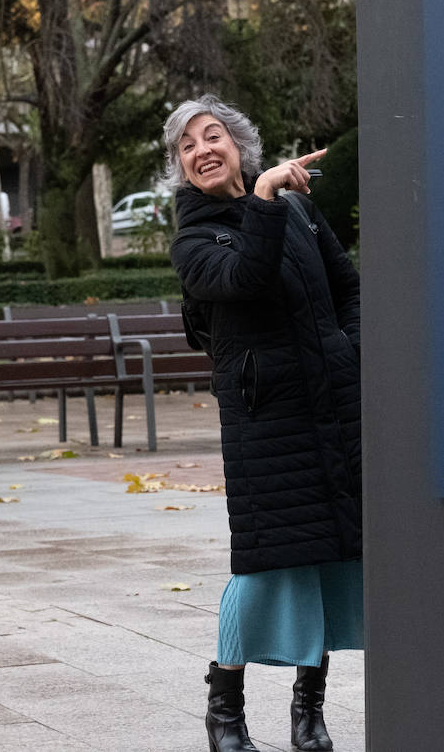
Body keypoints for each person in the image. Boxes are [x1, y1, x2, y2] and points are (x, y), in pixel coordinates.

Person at [164, 94, 362, 752]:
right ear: (180, 167)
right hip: (265, 420)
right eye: (187, 146)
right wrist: (268, 199)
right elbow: (246, 278)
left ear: (238, 145)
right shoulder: (193, 238)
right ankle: (225, 712)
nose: (202, 150)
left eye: (211, 135)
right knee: (263, 567)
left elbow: (348, 287)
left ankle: (310, 711)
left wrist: (348, 350)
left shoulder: (299, 209)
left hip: (331, 405)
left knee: (328, 556)